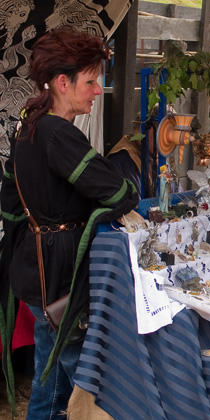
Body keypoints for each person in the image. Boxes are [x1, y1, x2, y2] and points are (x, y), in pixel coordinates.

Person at [0, 28, 140, 418]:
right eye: (91, 81)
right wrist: (124, 172)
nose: (98, 90)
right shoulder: (56, 133)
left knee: (51, 380)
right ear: (63, 83)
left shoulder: (28, 122)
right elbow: (119, 194)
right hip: (58, 280)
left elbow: (10, 199)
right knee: (88, 387)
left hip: (34, 270)